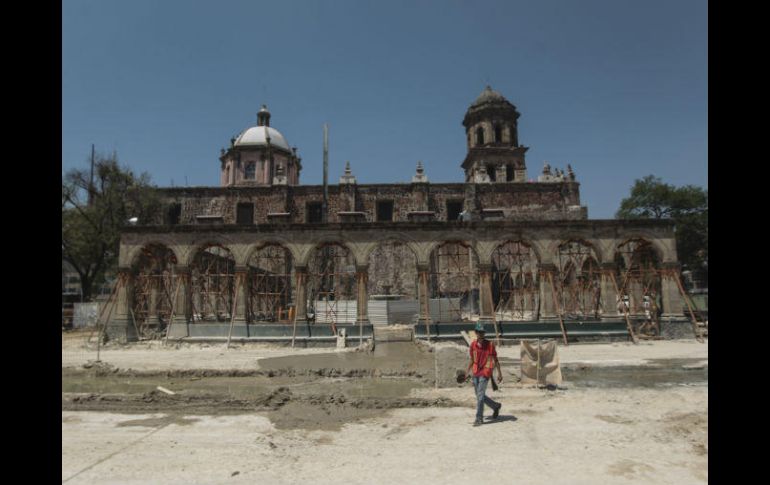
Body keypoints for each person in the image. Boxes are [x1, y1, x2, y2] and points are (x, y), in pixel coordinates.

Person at [465, 322, 503, 426]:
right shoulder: (473, 345)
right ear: (476, 333)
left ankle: (479, 418)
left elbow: (495, 359)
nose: (481, 334)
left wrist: (499, 373)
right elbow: (472, 359)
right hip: (476, 371)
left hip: (485, 372)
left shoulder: (490, 345)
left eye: (482, 332)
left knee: (480, 396)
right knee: (479, 396)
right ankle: (495, 406)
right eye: (479, 332)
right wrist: (467, 372)